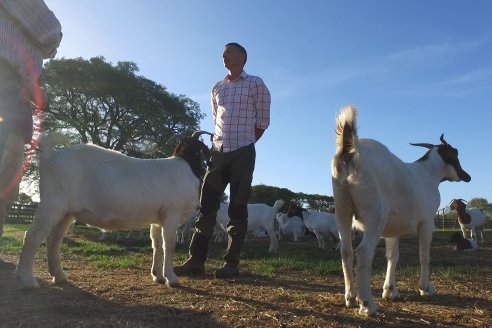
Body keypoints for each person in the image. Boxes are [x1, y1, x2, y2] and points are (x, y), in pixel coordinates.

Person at [174, 42, 271, 278]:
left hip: (243, 153)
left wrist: (245, 143)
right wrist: (221, 146)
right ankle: (196, 261)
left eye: (229, 52)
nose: (224, 56)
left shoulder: (255, 83)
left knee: (237, 209)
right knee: (206, 206)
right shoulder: (217, 87)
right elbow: (216, 118)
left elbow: (263, 122)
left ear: (242, 57)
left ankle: (231, 264)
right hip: (218, 152)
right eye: (223, 54)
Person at [0, 0, 62, 236]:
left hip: (14, 86)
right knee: (5, 172)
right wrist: (48, 48)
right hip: (7, 84)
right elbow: (50, 32)